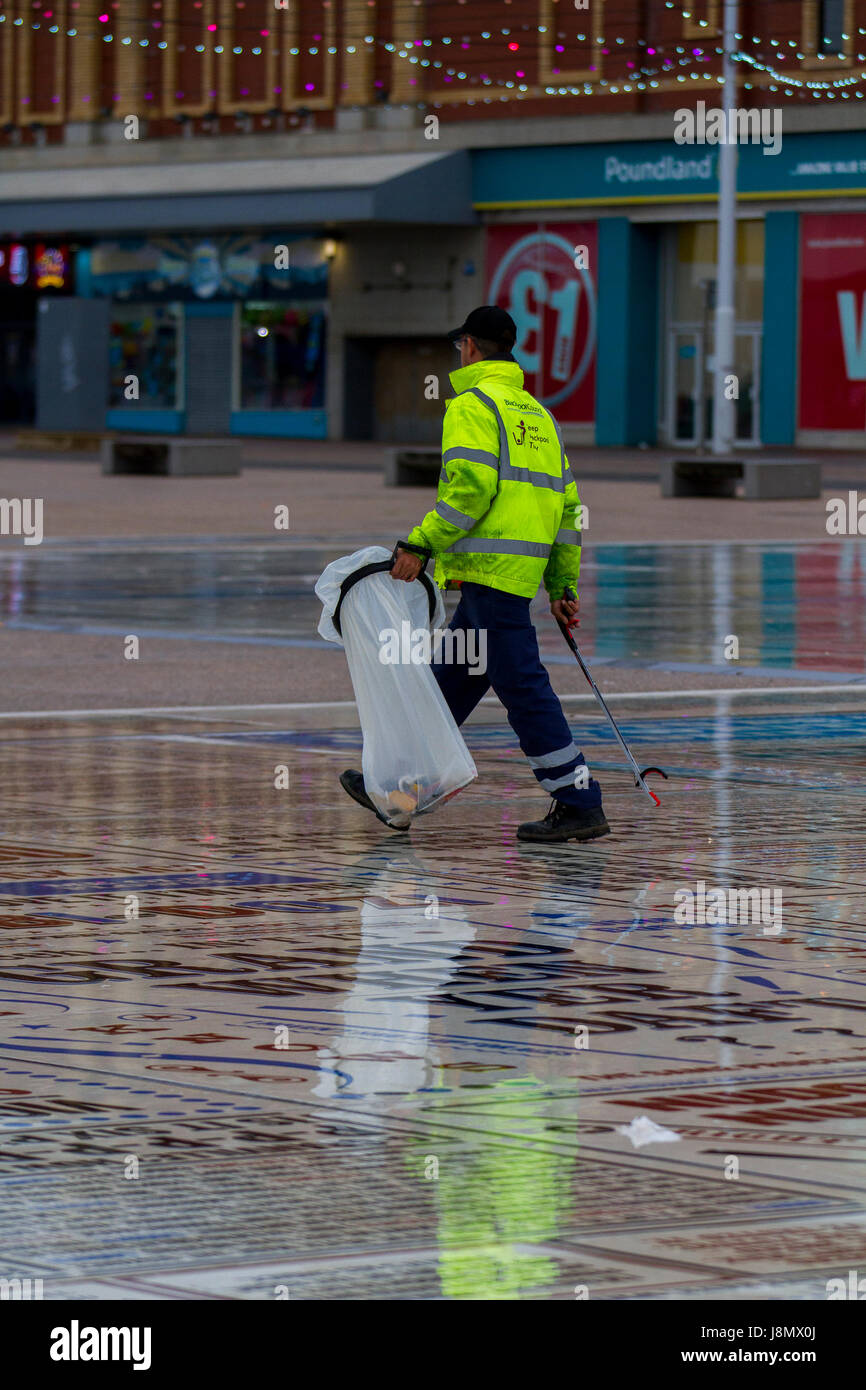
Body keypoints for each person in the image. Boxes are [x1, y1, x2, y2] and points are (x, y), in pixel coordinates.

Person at [340, 304, 609, 844]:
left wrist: (421, 543)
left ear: (469, 347)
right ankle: (402, 790)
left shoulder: (472, 406)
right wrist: (561, 585)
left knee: (525, 691)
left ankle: (579, 799)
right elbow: (570, 509)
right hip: (513, 577)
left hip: (490, 576)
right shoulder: (540, 416)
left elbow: (469, 489)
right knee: (450, 681)